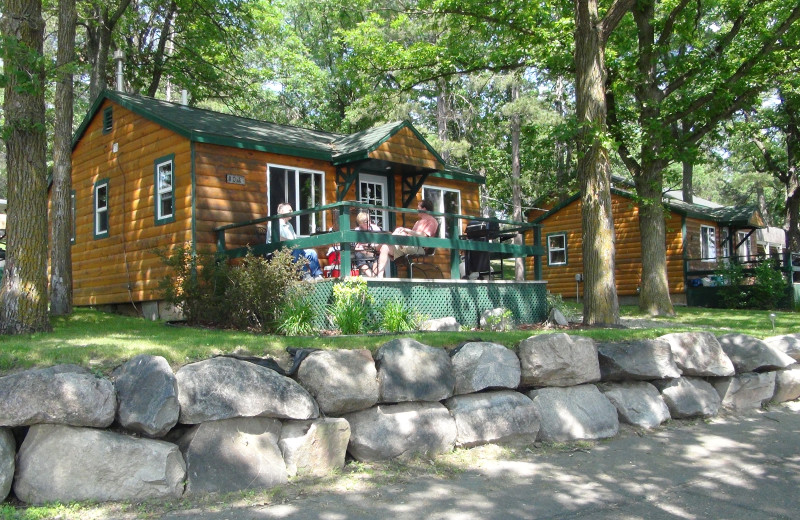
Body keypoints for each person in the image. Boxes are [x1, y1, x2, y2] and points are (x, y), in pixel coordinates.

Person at [374, 199, 438, 278]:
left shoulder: (432, 221)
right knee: (385, 247)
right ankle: (379, 277)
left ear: (424, 209)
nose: (416, 209)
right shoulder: (418, 222)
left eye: (418, 207)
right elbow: (412, 235)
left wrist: (407, 231)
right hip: (408, 245)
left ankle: (384, 242)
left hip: (419, 248)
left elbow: (423, 236)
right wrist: (404, 231)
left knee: (398, 233)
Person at [272, 202, 324, 280]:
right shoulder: (274, 224)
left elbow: (295, 239)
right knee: (297, 249)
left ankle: (317, 275)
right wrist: (294, 243)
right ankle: (305, 274)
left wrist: (298, 243)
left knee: (311, 252)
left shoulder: (289, 225)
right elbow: (278, 239)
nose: (292, 212)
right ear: (282, 212)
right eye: (289, 210)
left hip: (293, 250)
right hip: (280, 252)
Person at [353, 212, 381, 276]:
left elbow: (379, 244)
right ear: (360, 223)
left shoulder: (375, 228)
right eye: (366, 222)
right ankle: (370, 276)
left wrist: (368, 246)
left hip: (373, 251)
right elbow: (355, 246)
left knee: (379, 255)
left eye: (369, 220)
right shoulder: (357, 230)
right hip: (362, 252)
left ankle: (374, 275)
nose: (369, 223)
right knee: (358, 255)